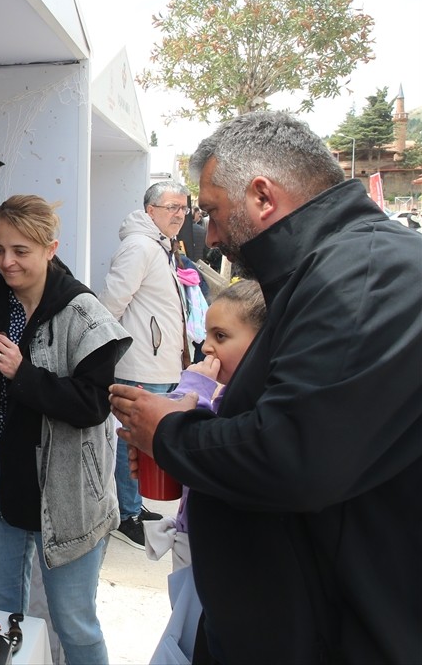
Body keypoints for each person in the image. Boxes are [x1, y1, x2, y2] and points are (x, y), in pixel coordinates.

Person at [110, 111, 422, 663]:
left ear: (261, 197)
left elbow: (297, 453)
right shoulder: (323, 271)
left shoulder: (364, 275)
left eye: (212, 213)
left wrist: (172, 435)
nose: (208, 234)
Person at [0, 195, 131, 665]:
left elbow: (92, 405)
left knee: (75, 624)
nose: (6, 262)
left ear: (50, 248)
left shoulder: (84, 315)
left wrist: (22, 374)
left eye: (20, 250)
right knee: (2, 614)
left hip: (68, 488)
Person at [145, 280, 265, 664]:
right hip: (192, 545)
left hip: (217, 560)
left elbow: (197, 437)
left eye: (222, 335)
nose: (207, 346)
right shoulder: (224, 394)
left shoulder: (249, 405)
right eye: (207, 334)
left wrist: (191, 388)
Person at [99, 180, 190, 549]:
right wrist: (100, 353)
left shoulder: (157, 245)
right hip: (140, 364)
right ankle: (126, 514)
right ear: (150, 210)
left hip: (158, 363)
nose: (179, 214)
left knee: (144, 439)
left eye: (184, 208)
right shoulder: (139, 245)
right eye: (171, 207)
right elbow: (111, 302)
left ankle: (133, 506)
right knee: (130, 441)